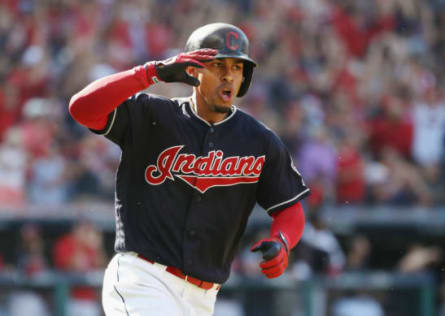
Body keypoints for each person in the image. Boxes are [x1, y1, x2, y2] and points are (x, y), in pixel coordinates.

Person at [69, 23, 309, 316]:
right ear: (192, 70)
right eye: (217, 65)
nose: (228, 75)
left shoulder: (260, 140)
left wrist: (283, 241)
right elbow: (82, 108)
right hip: (143, 278)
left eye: (236, 67)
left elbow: (289, 209)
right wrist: (150, 73)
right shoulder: (152, 116)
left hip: (204, 298)